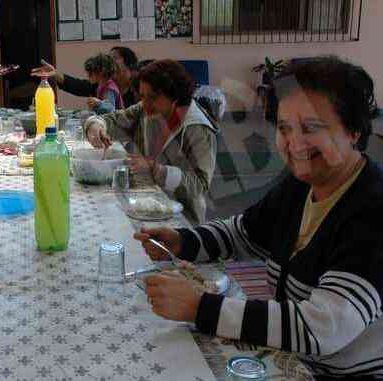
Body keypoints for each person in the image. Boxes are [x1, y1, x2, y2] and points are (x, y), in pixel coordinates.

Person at [135, 56, 383, 380]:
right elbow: (244, 232)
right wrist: (184, 240)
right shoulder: (300, 186)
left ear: (352, 131)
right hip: (294, 361)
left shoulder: (372, 210)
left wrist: (200, 307)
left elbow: (323, 328)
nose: (294, 144)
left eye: (311, 128)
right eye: (284, 128)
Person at [85, 59, 218, 223]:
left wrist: (156, 170)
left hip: (181, 218)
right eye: (142, 96)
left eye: (153, 97)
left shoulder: (197, 129)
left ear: (175, 95)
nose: (145, 104)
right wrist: (96, 126)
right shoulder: (145, 110)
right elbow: (114, 120)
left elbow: (199, 186)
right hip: (144, 206)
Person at [31, 46, 140, 107]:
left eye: (114, 58)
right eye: (108, 58)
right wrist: (55, 73)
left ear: (129, 64)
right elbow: (79, 86)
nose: (109, 62)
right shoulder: (104, 84)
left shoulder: (139, 87)